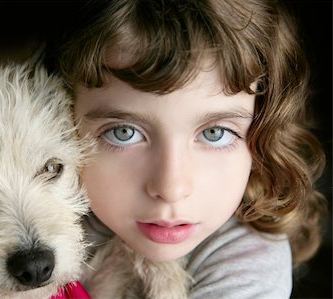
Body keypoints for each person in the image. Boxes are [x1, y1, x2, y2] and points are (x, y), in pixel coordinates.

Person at [48, 0, 327, 297]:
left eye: (215, 133)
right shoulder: (39, 217)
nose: (171, 188)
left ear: (262, 136)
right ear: (62, 119)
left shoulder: (245, 264)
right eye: (123, 133)